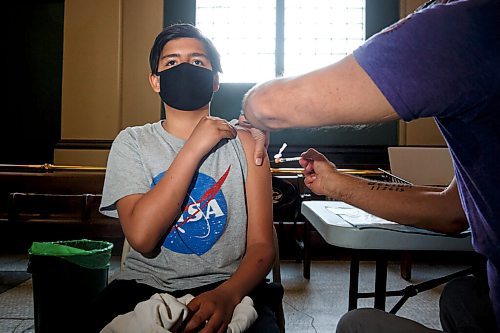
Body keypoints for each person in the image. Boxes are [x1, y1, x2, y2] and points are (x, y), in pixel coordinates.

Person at [242, 0, 499, 331]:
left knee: (356, 324)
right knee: (461, 297)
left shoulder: (467, 24)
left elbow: (269, 105)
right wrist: (337, 184)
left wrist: (251, 111)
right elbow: (452, 210)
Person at [93, 23, 281, 333]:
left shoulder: (247, 143)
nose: (185, 68)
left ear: (215, 80)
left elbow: (263, 246)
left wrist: (227, 295)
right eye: (171, 62)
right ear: (155, 81)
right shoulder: (132, 143)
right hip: (144, 287)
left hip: (230, 284)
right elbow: (142, 237)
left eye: (197, 62)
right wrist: (193, 149)